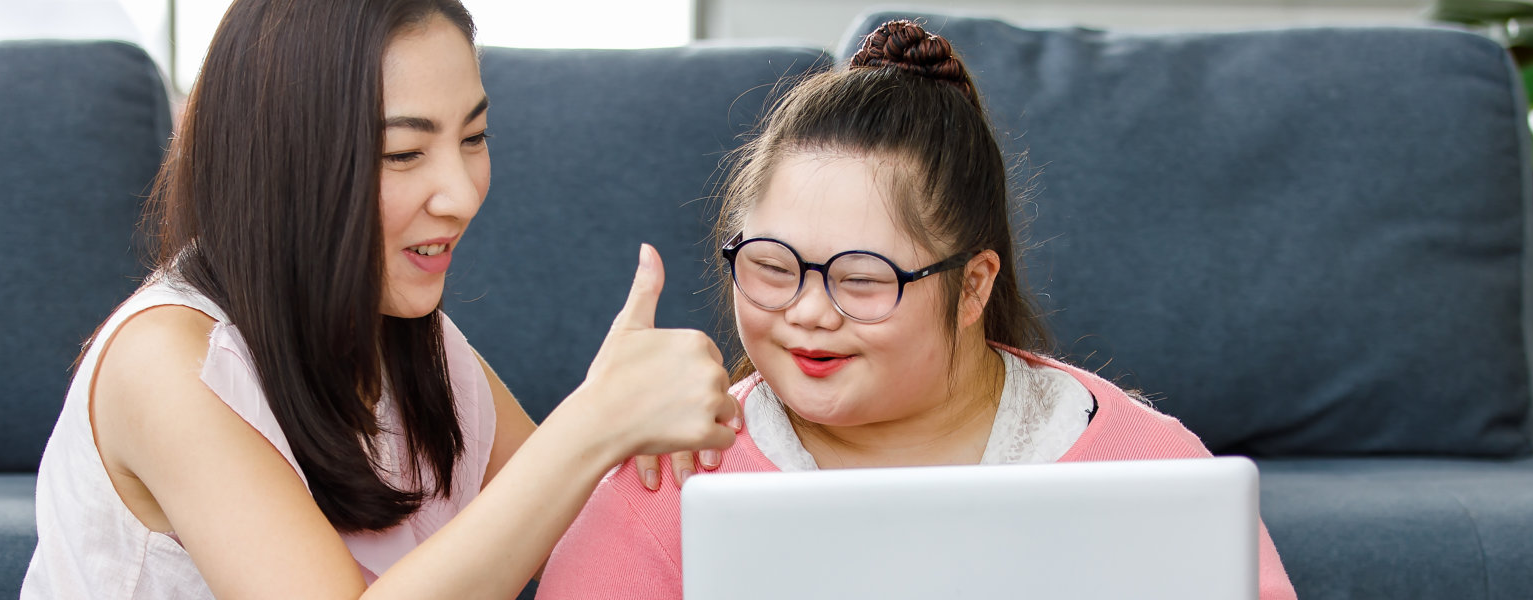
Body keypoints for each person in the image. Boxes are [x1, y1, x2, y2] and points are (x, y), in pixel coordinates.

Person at [537, 20, 1297, 599]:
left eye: (862, 281)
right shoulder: (667, 478)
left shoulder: (1149, 467)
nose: (807, 312)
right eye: (770, 267)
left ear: (972, 286)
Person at [20, 1, 739, 597]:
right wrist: (592, 423)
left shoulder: (413, 346)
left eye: (475, 136)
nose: (461, 195)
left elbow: (598, 526)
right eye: (404, 153)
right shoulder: (167, 363)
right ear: (289, 162)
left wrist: (696, 413)